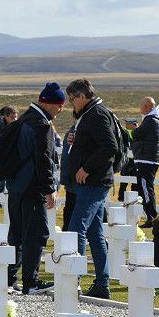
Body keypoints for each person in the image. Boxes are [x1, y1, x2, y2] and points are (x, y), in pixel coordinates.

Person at [5, 83, 65, 296]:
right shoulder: (41, 125)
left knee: (17, 233)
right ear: (48, 103)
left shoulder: (23, 120)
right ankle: (31, 282)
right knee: (37, 234)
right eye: (59, 105)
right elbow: (44, 160)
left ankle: (9, 279)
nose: (61, 110)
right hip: (32, 189)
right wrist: (50, 189)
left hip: (15, 186)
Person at [64, 78, 120, 299]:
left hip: (94, 181)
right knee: (95, 233)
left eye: (72, 99)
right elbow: (94, 142)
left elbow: (110, 147)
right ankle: (102, 283)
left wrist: (86, 167)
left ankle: (73, 280)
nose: (71, 104)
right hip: (90, 182)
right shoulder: (88, 114)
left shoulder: (96, 114)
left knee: (77, 228)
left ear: (82, 96)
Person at [131, 97, 159, 225]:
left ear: (147, 107)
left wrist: (134, 129)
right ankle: (151, 216)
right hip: (148, 159)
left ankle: (152, 217)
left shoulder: (151, 121)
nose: (140, 108)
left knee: (145, 188)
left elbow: (137, 134)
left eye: (142, 105)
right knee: (146, 188)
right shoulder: (154, 120)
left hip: (147, 160)